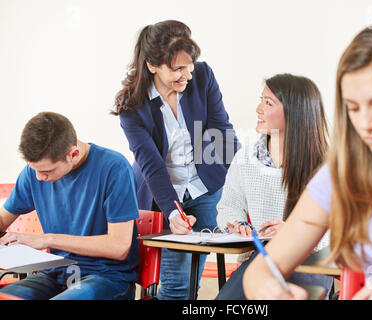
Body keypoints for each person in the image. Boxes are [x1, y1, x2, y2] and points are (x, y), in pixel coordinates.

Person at [243, 20, 372, 300]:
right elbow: (262, 270)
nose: (366, 123)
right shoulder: (343, 174)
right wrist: (270, 291)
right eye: (353, 108)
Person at [113, 20, 240, 300]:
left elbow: (221, 130)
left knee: (192, 281)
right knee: (176, 287)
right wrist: (173, 212)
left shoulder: (203, 76)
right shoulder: (131, 106)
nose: (187, 75)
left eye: (189, 66)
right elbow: (151, 165)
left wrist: (240, 181)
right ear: (152, 65)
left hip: (205, 189)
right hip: (164, 198)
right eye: (178, 69)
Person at [215, 73, 333, 299]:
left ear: (294, 112)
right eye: (261, 99)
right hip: (262, 259)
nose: (258, 109)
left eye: (268, 103)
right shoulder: (245, 158)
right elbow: (228, 207)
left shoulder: (327, 166)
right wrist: (237, 224)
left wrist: (296, 233)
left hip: (311, 263)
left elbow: (340, 228)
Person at [0, 112, 140, 300]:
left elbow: (119, 247)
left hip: (106, 278)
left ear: (73, 154)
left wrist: (46, 240)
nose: (38, 178)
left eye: (46, 171)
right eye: (33, 169)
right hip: (55, 274)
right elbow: (3, 219)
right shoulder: (34, 173)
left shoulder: (114, 168)